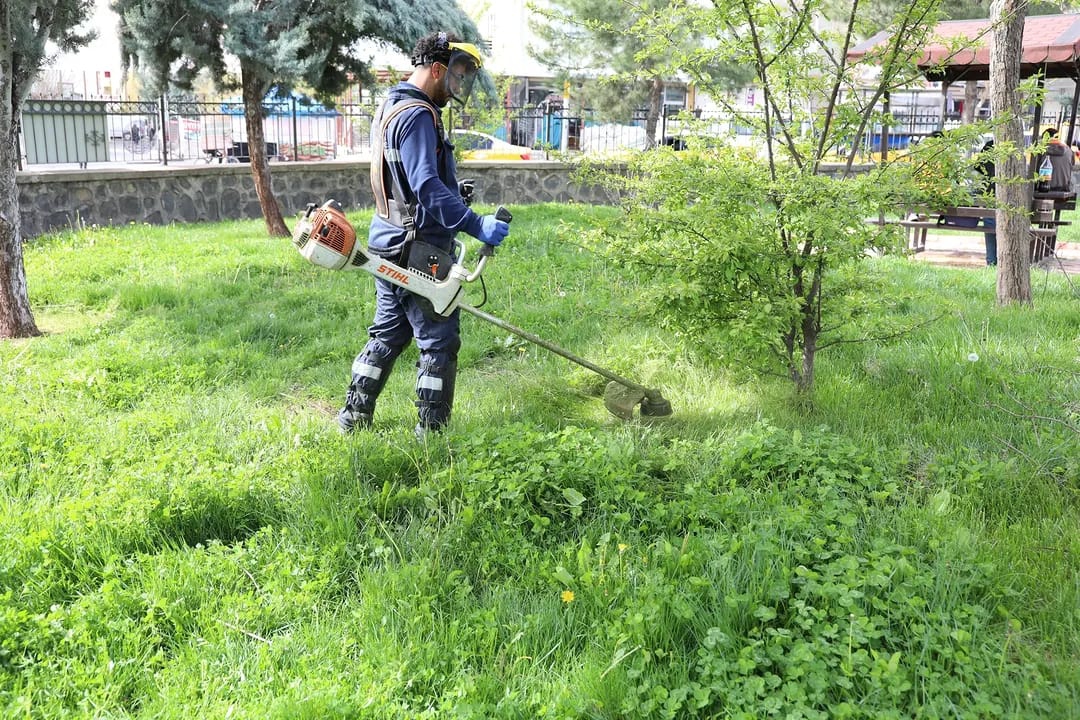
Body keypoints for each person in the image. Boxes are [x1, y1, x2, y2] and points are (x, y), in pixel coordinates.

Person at [337, 31, 510, 437]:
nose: (458, 84)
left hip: (387, 240)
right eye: (456, 74)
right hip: (417, 249)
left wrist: (453, 192)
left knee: (389, 332)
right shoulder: (420, 115)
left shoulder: (391, 106)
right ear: (436, 69)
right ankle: (431, 435)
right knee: (439, 339)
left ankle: (353, 417)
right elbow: (425, 187)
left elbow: (406, 180)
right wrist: (473, 221)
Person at [974, 139, 997, 266]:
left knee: (990, 226)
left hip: (989, 194)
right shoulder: (1015, 147)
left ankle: (991, 261)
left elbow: (977, 169)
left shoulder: (990, 146)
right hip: (1004, 197)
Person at [1034, 127, 1074, 193]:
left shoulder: (1040, 151)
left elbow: (1034, 171)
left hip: (1043, 191)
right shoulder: (1069, 151)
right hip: (1064, 193)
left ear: (1045, 139)